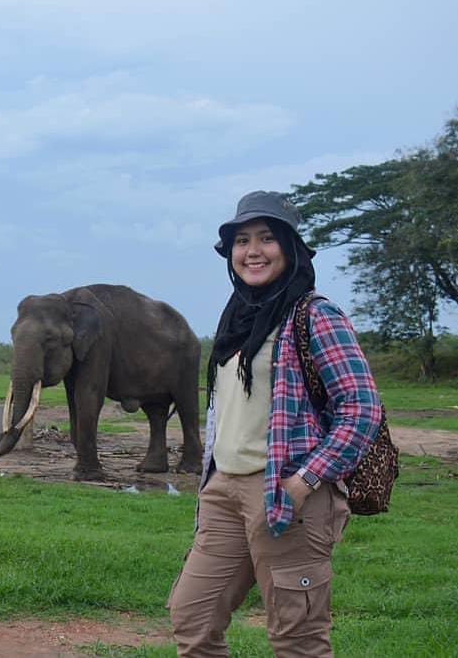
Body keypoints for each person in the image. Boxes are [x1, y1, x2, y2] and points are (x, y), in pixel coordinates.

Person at [167, 191, 382, 657]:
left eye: (266, 238)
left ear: (289, 246)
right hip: (224, 491)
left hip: (288, 495)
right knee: (193, 616)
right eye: (242, 241)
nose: (252, 251)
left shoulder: (315, 316)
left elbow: (361, 408)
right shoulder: (237, 321)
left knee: (296, 637)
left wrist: (306, 479)